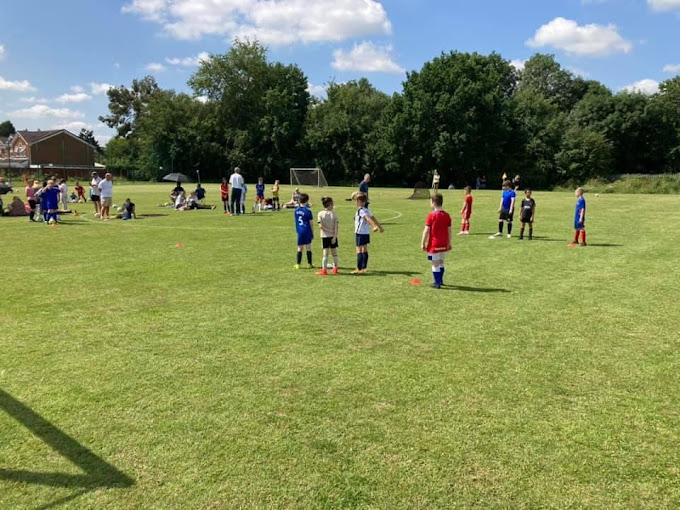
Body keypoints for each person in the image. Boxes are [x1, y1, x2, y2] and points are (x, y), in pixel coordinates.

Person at [421, 193, 452, 289]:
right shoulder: (447, 215)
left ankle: (437, 283)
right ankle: (441, 280)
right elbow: (449, 231)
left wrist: (423, 242)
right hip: (444, 243)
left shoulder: (431, 216)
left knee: (435, 263)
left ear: (433, 203)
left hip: (434, 244)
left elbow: (426, 231)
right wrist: (449, 243)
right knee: (441, 262)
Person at [352, 191, 383, 274]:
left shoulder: (361, 210)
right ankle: (364, 267)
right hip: (366, 233)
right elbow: (373, 218)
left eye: (355, 200)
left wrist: (374, 226)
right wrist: (380, 227)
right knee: (364, 249)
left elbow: (368, 219)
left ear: (359, 201)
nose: (355, 202)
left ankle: (359, 268)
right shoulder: (367, 210)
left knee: (359, 249)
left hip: (360, 232)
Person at [316, 196, 339, 276]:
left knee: (325, 253)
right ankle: (335, 268)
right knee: (334, 252)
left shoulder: (320, 214)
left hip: (325, 236)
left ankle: (324, 270)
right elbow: (336, 227)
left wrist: (328, 231)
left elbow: (320, 226)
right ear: (330, 205)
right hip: (333, 236)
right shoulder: (334, 214)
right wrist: (334, 236)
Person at [294, 193, 314, 269]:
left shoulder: (296, 210)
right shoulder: (308, 212)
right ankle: (309, 264)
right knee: (308, 247)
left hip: (300, 231)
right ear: (307, 201)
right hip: (307, 230)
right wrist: (312, 233)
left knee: (300, 248)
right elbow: (311, 224)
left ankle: (298, 264)